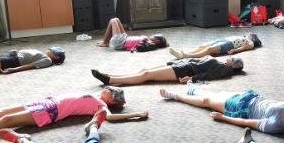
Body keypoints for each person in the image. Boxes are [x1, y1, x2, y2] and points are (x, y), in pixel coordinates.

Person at [0, 86, 148, 143]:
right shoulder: (94, 95)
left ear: (113, 100)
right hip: (44, 102)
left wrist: (136, 114)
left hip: (49, 112)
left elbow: (109, 117)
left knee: (6, 121)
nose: (109, 89)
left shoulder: (101, 105)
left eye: (112, 91)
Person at [159, 85, 284, 140]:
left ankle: (176, 96)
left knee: (206, 102)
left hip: (240, 109)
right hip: (249, 97)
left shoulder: (276, 125)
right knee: (216, 95)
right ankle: (193, 89)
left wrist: (223, 118)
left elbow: (247, 123)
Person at [90, 56, 244, 85]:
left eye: (234, 59)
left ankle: (110, 80)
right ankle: (111, 76)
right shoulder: (221, 63)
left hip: (184, 70)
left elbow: (207, 75)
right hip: (182, 65)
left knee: (146, 75)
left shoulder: (223, 69)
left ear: (233, 65)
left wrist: (192, 79)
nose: (232, 56)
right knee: (145, 70)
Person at [168, 33, 261, 59]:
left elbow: (244, 48)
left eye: (249, 34)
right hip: (224, 40)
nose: (247, 34)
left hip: (229, 45)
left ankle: (186, 56)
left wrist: (234, 51)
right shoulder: (242, 37)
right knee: (202, 46)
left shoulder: (251, 43)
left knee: (209, 49)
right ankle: (183, 53)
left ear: (253, 37)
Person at [96, 18, 168, 51]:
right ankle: (105, 42)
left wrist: (146, 40)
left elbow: (139, 47)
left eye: (154, 36)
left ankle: (105, 42)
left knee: (113, 20)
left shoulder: (149, 43)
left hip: (120, 42)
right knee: (117, 19)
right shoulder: (149, 41)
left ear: (157, 41)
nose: (152, 35)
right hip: (125, 38)